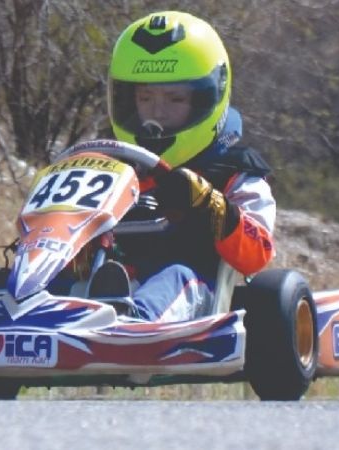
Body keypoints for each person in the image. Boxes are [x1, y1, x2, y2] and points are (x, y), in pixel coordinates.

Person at [90, 11, 275, 322]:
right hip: (113, 283)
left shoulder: (234, 172)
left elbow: (257, 255)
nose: (157, 112)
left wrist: (212, 205)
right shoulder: (113, 169)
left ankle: (132, 324)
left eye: (174, 99)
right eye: (145, 97)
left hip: (195, 293)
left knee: (175, 275)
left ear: (206, 99)